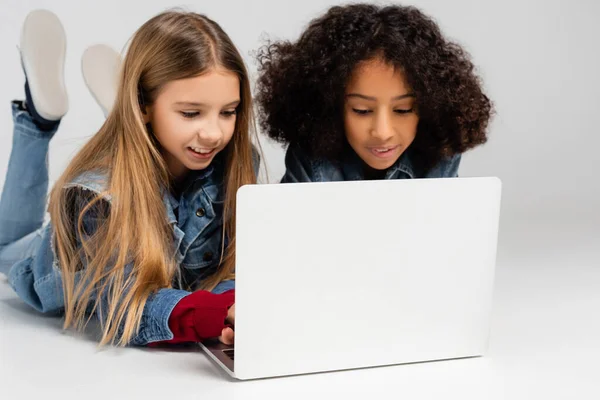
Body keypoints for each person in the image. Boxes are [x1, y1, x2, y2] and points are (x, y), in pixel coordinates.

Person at [0, 9, 259, 347]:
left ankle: (139, 128)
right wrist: (214, 311)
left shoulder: (235, 161)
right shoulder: (95, 198)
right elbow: (125, 309)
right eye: (191, 113)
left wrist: (237, 305)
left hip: (143, 166)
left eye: (228, 112)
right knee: (5, 247)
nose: (213, 133)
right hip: (55, 257)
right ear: (143, 104)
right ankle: (39, 119)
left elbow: (227, 270)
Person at [256, 3, 493, 182]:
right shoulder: (311, 157)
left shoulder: (440, 152)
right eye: (362, 110)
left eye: (403, 110)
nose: (382, 132)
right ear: (332, 107)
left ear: (430, 108)